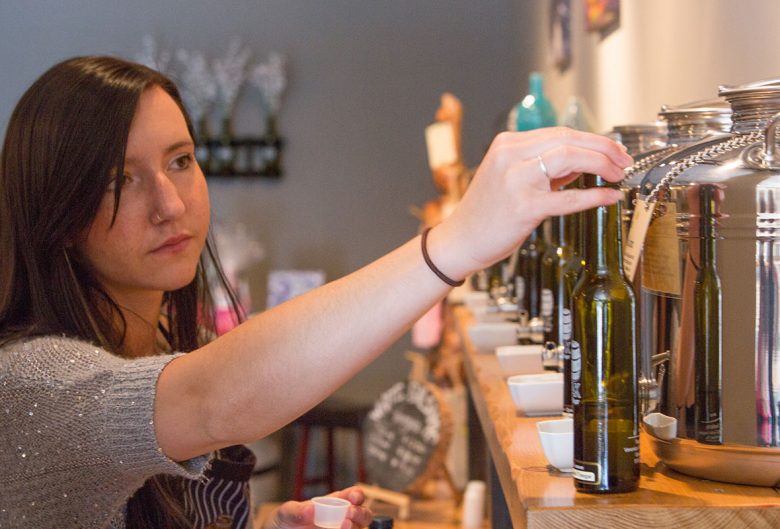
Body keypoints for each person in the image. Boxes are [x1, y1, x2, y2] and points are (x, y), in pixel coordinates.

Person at [0, 56, 632, 529]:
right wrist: (456, 242)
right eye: (122, 179)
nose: (170, 204)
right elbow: (214, 398)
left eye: (180, 161)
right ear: (58, 213)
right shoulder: (36, 385)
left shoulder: (162, 340)